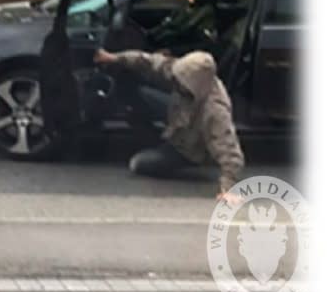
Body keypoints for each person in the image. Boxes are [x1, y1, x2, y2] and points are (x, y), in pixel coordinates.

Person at [93, 47, 244, 202]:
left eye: (181, 80)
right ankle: (154, 137)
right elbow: (148, 61)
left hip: (186, 147)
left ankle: (166, 150)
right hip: (179, 115)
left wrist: (229, 188)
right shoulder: (182, 72)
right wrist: (115, 57)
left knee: (137, 164)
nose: (176, 80)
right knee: (141, 94)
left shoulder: (214, 110)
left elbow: (229, 150)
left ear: (193, 82)